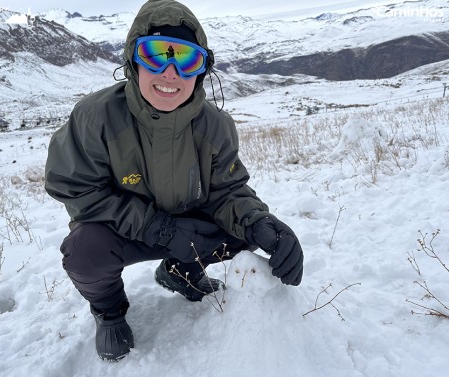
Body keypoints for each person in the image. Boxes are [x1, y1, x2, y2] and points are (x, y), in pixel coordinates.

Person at [45, 0, 303, 362]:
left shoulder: (216, 126)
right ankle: (109, 311)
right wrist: (155, 228)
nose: (170, 73)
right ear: (132, 59)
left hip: (189, 231)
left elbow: (227, 191)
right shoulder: (95, 118)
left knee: (242, 231)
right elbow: (74, 188)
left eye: (186, 59)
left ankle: (180, 273)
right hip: (122, 233)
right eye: (155, 55)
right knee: (83, 251)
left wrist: (259, 221)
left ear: (202, 69)